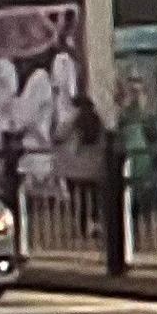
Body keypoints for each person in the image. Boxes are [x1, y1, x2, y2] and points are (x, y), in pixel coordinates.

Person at [53, 98, 109, 236]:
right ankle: (96, 224)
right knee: (94, 197)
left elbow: (59, 135)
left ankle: (82, 226)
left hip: (76, 165)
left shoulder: (74, 120)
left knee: (78, 198)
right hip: (95, 164)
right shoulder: (98, 120)